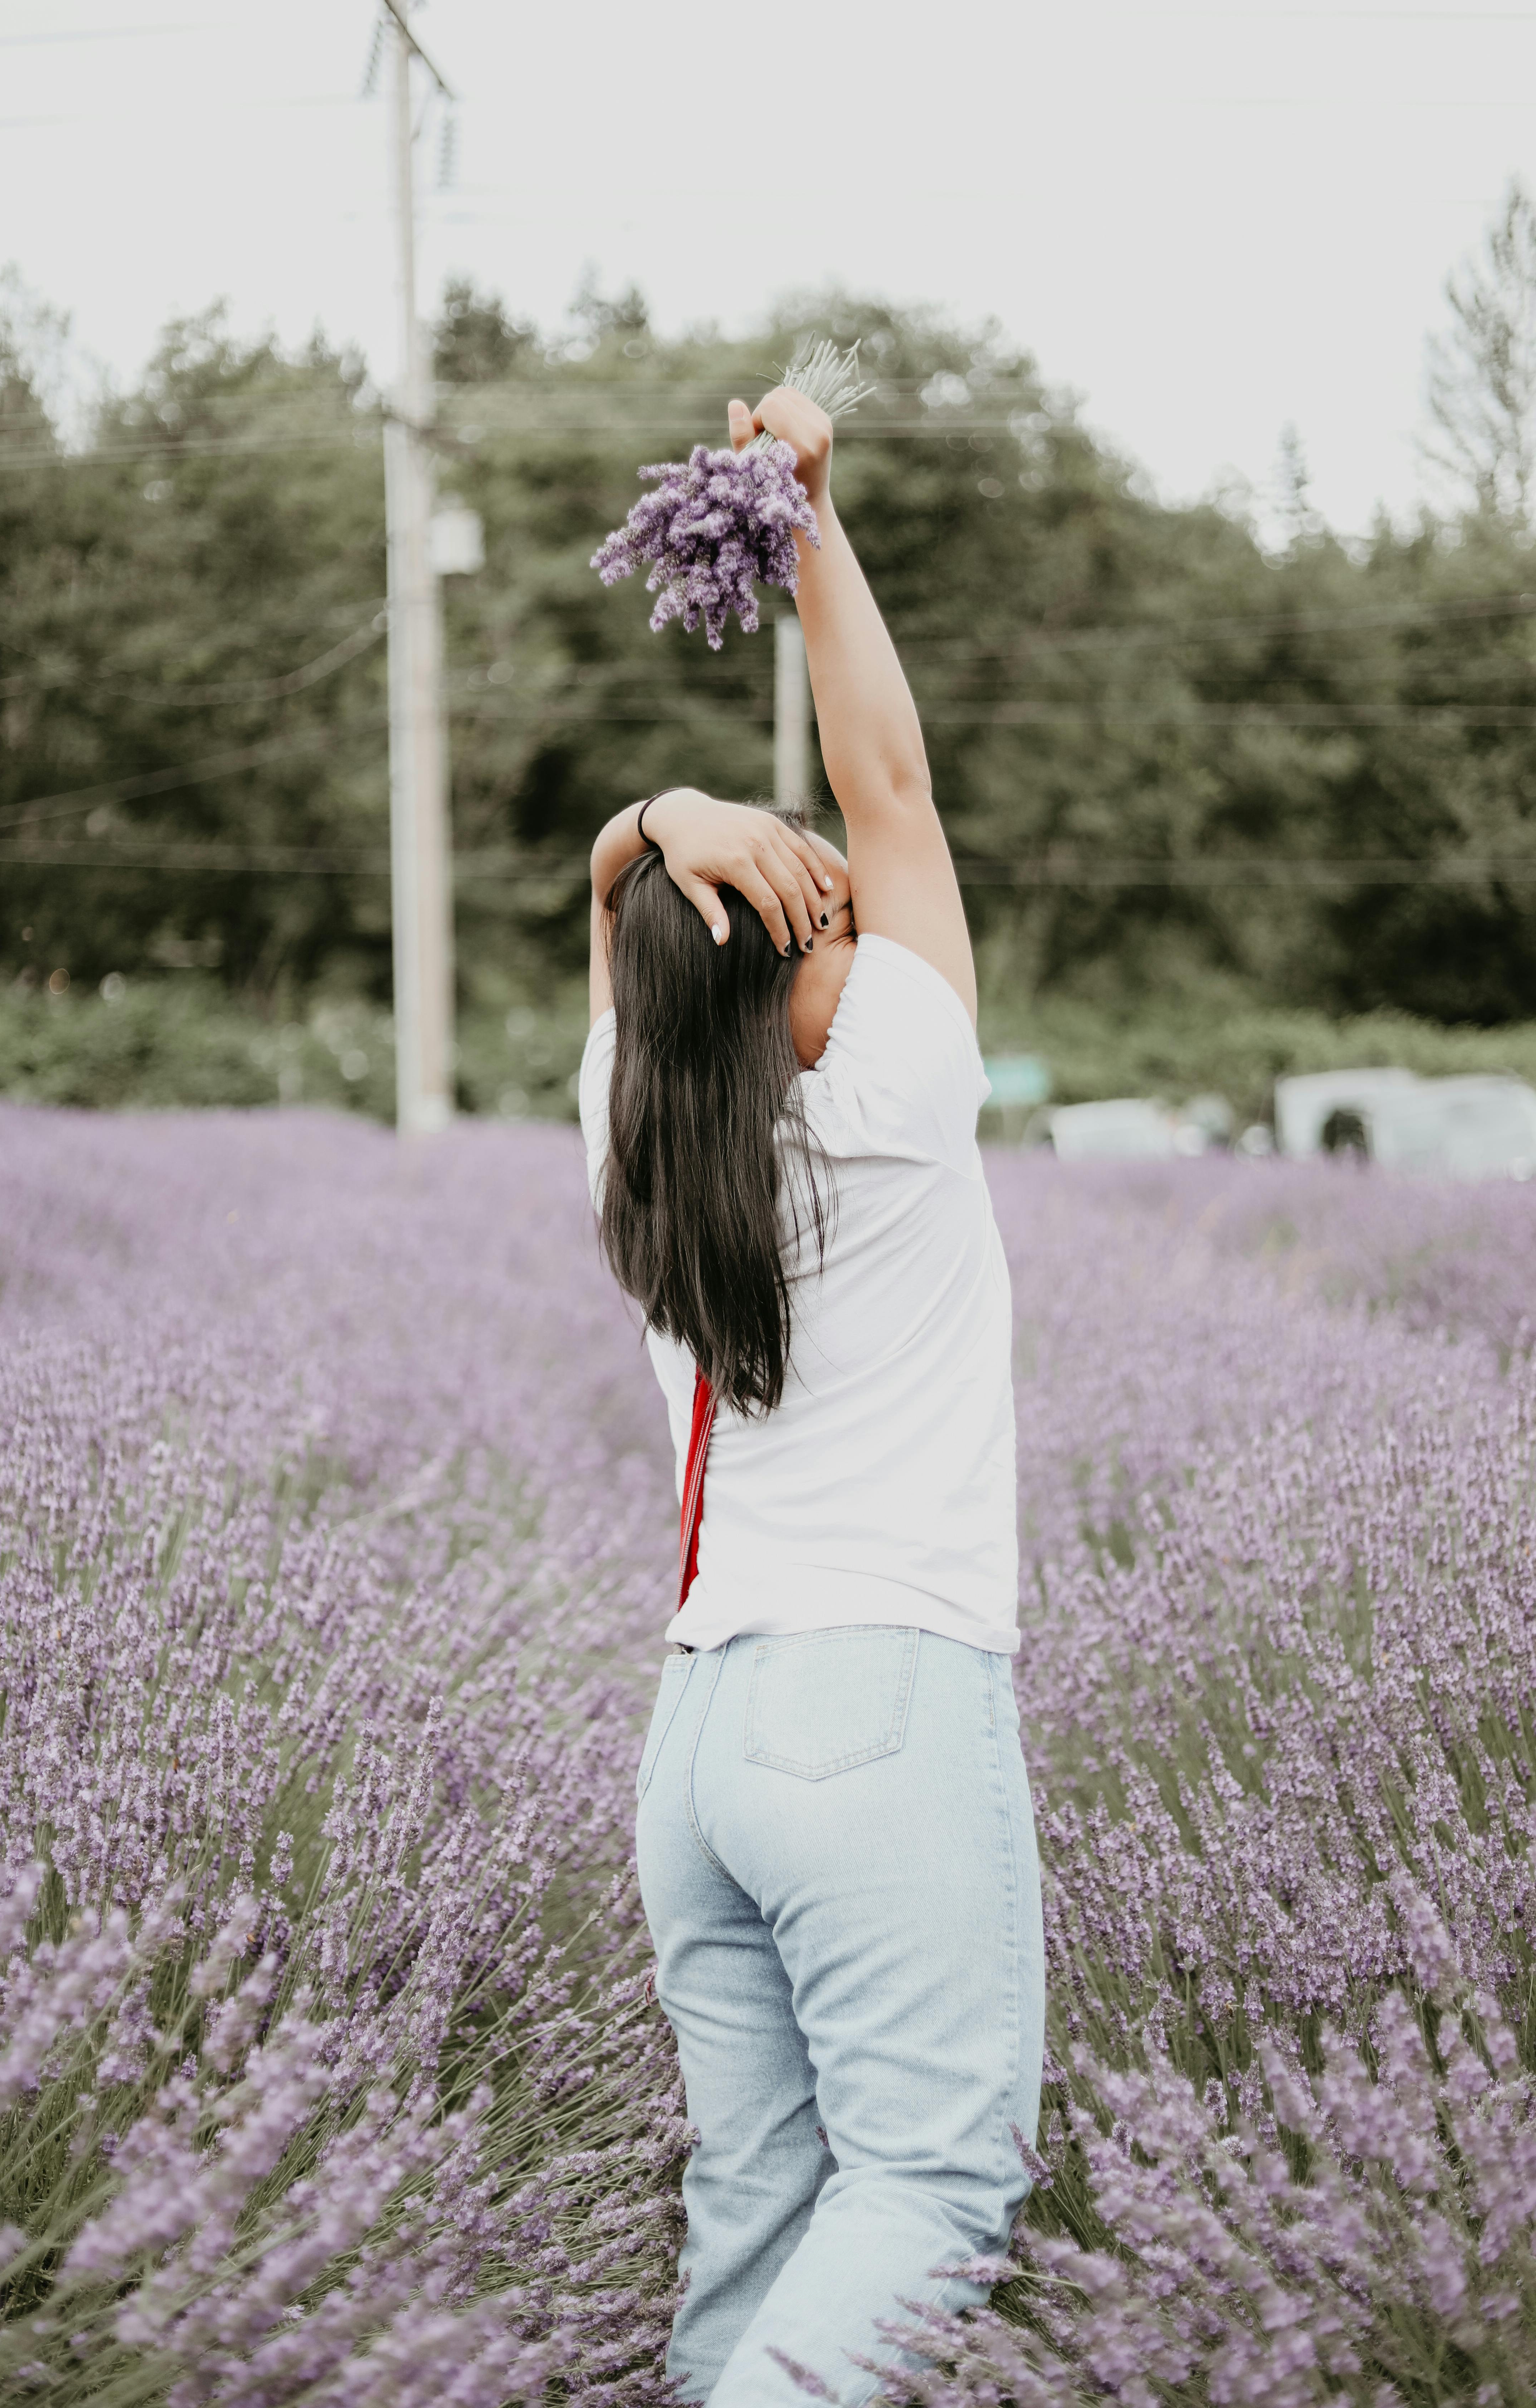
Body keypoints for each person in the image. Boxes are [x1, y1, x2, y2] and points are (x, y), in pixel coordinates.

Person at [579, 383, 1044, 2406]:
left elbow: (632, 927)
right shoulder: (899, 1102)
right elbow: (896, 782)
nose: (859, 907)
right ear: (788, 981)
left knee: (764, 2198)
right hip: (875, 1705)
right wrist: (815, 521)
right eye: (825, 916)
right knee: (937, 2187)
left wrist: (671, 826)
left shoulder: (638, 1125)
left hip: (702, 1741)